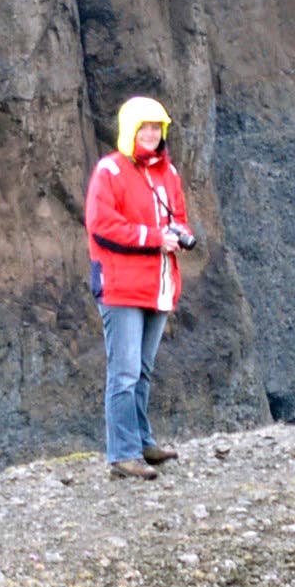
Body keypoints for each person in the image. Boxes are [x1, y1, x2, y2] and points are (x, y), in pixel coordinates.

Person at [87, 95, 198, 479]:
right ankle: (122, 455)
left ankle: (142, 442)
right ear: (129, 130)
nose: (151, 134)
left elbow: (178, 216)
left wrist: (180, 233)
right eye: (144, 127)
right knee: (124, 372)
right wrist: (155, 238)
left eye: (157, 127)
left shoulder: (169, 173)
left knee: (143, 370)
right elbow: (102, 226)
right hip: (121, 288)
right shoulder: (110, 172)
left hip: (159, 287)